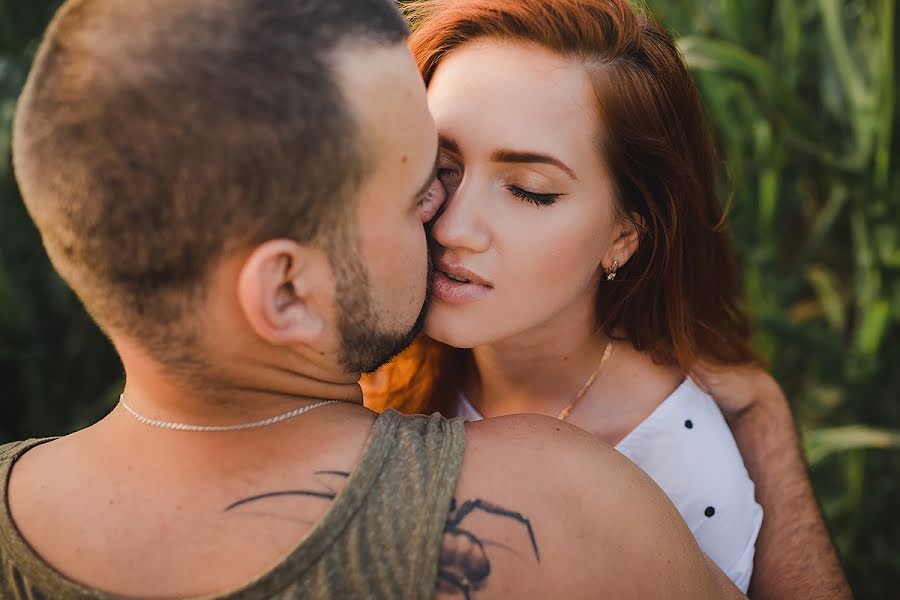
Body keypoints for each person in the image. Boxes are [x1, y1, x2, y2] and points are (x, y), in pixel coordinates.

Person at [0, 0, 745, 598]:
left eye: (527, 189)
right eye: (420, 183)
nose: (445, 218)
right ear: (287, 291)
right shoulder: (565, 505)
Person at [364, 0, 853, 598]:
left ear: (623, 235)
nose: (452, 228)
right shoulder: (376, 358)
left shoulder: (672, 470)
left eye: (529, 191)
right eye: (441, 164)